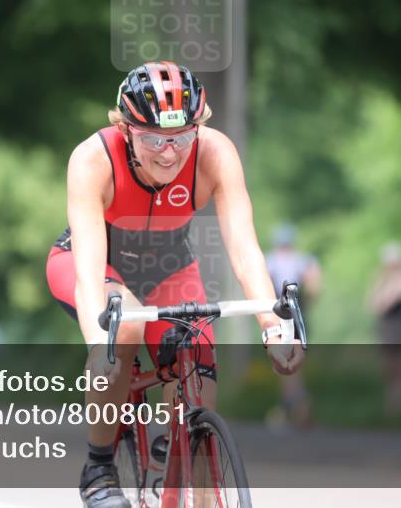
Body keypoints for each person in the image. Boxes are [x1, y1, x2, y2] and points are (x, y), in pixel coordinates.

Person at [46, 61, 305, 508]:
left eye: (182, 137)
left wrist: (272, 324)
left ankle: (183, 446)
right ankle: (99, 466)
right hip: (95, 262)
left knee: (197, 355)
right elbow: (89, 273)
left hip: (168, 266)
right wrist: (99, 343)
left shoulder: (215, 154)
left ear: (198, 128)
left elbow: (244, 251)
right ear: (126, 129)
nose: (169, 154)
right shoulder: (92, 160)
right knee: (122, 328)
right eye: (153, 140)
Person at [265, 224, 322, 427]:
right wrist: (306, 302)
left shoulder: (272, 260)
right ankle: (295, 408)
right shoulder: (302, 259)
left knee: (285, 363)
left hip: (280, 312)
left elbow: (264, 283)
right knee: (295, 360)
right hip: (299, 311)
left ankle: (296, 408)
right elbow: (315, 283)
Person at [368, 242, 401, 416]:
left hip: (397, 324)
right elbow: (373, 303)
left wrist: (385, 292)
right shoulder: (382, 279)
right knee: (388, 365)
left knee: (399, 363)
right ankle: (393, 404)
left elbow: (389, 300)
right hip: (385, 325)